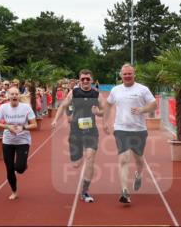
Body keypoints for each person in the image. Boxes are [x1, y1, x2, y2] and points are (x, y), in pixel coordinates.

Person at [104, 64, 157, 205]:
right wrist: (104, 122)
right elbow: (108, 105)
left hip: (139, 130)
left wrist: (142, 109)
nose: (127, 76)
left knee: (139, 159)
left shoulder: (142, 89)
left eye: (129, 73)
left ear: (134, 74)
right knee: (124, 158)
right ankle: (125, 191)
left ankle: (138, 175)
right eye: (125, 74)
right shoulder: (115, 90)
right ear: (121, 75)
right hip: (121, 129)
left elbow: (154, 105)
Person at [53, 70, 103, 204]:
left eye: (88, 79)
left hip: (91, 131)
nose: (85, 81)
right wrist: (56, 120)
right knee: (76, 164)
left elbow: (104, 110)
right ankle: (78, 156)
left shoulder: (97, 94)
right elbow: (64, 105)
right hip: (75, 131)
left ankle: (85, 191)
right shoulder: (74, 92)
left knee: (90, 158)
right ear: (79, 80)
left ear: (92, 80)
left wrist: (98, 112)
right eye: (83, 79)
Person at [0, 87, 37, 200]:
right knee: (10, 168)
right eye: (12, 94)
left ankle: (23, 164)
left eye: (16, 94)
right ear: (8, 96)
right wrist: (8, 127)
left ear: (19, 96)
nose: (14, 96)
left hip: (23, 140)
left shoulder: (26, 108)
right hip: (8, 141)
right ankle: (14, 191)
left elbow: (34, 125)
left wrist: (23, 127)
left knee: (20, 168)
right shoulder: (3, 107)